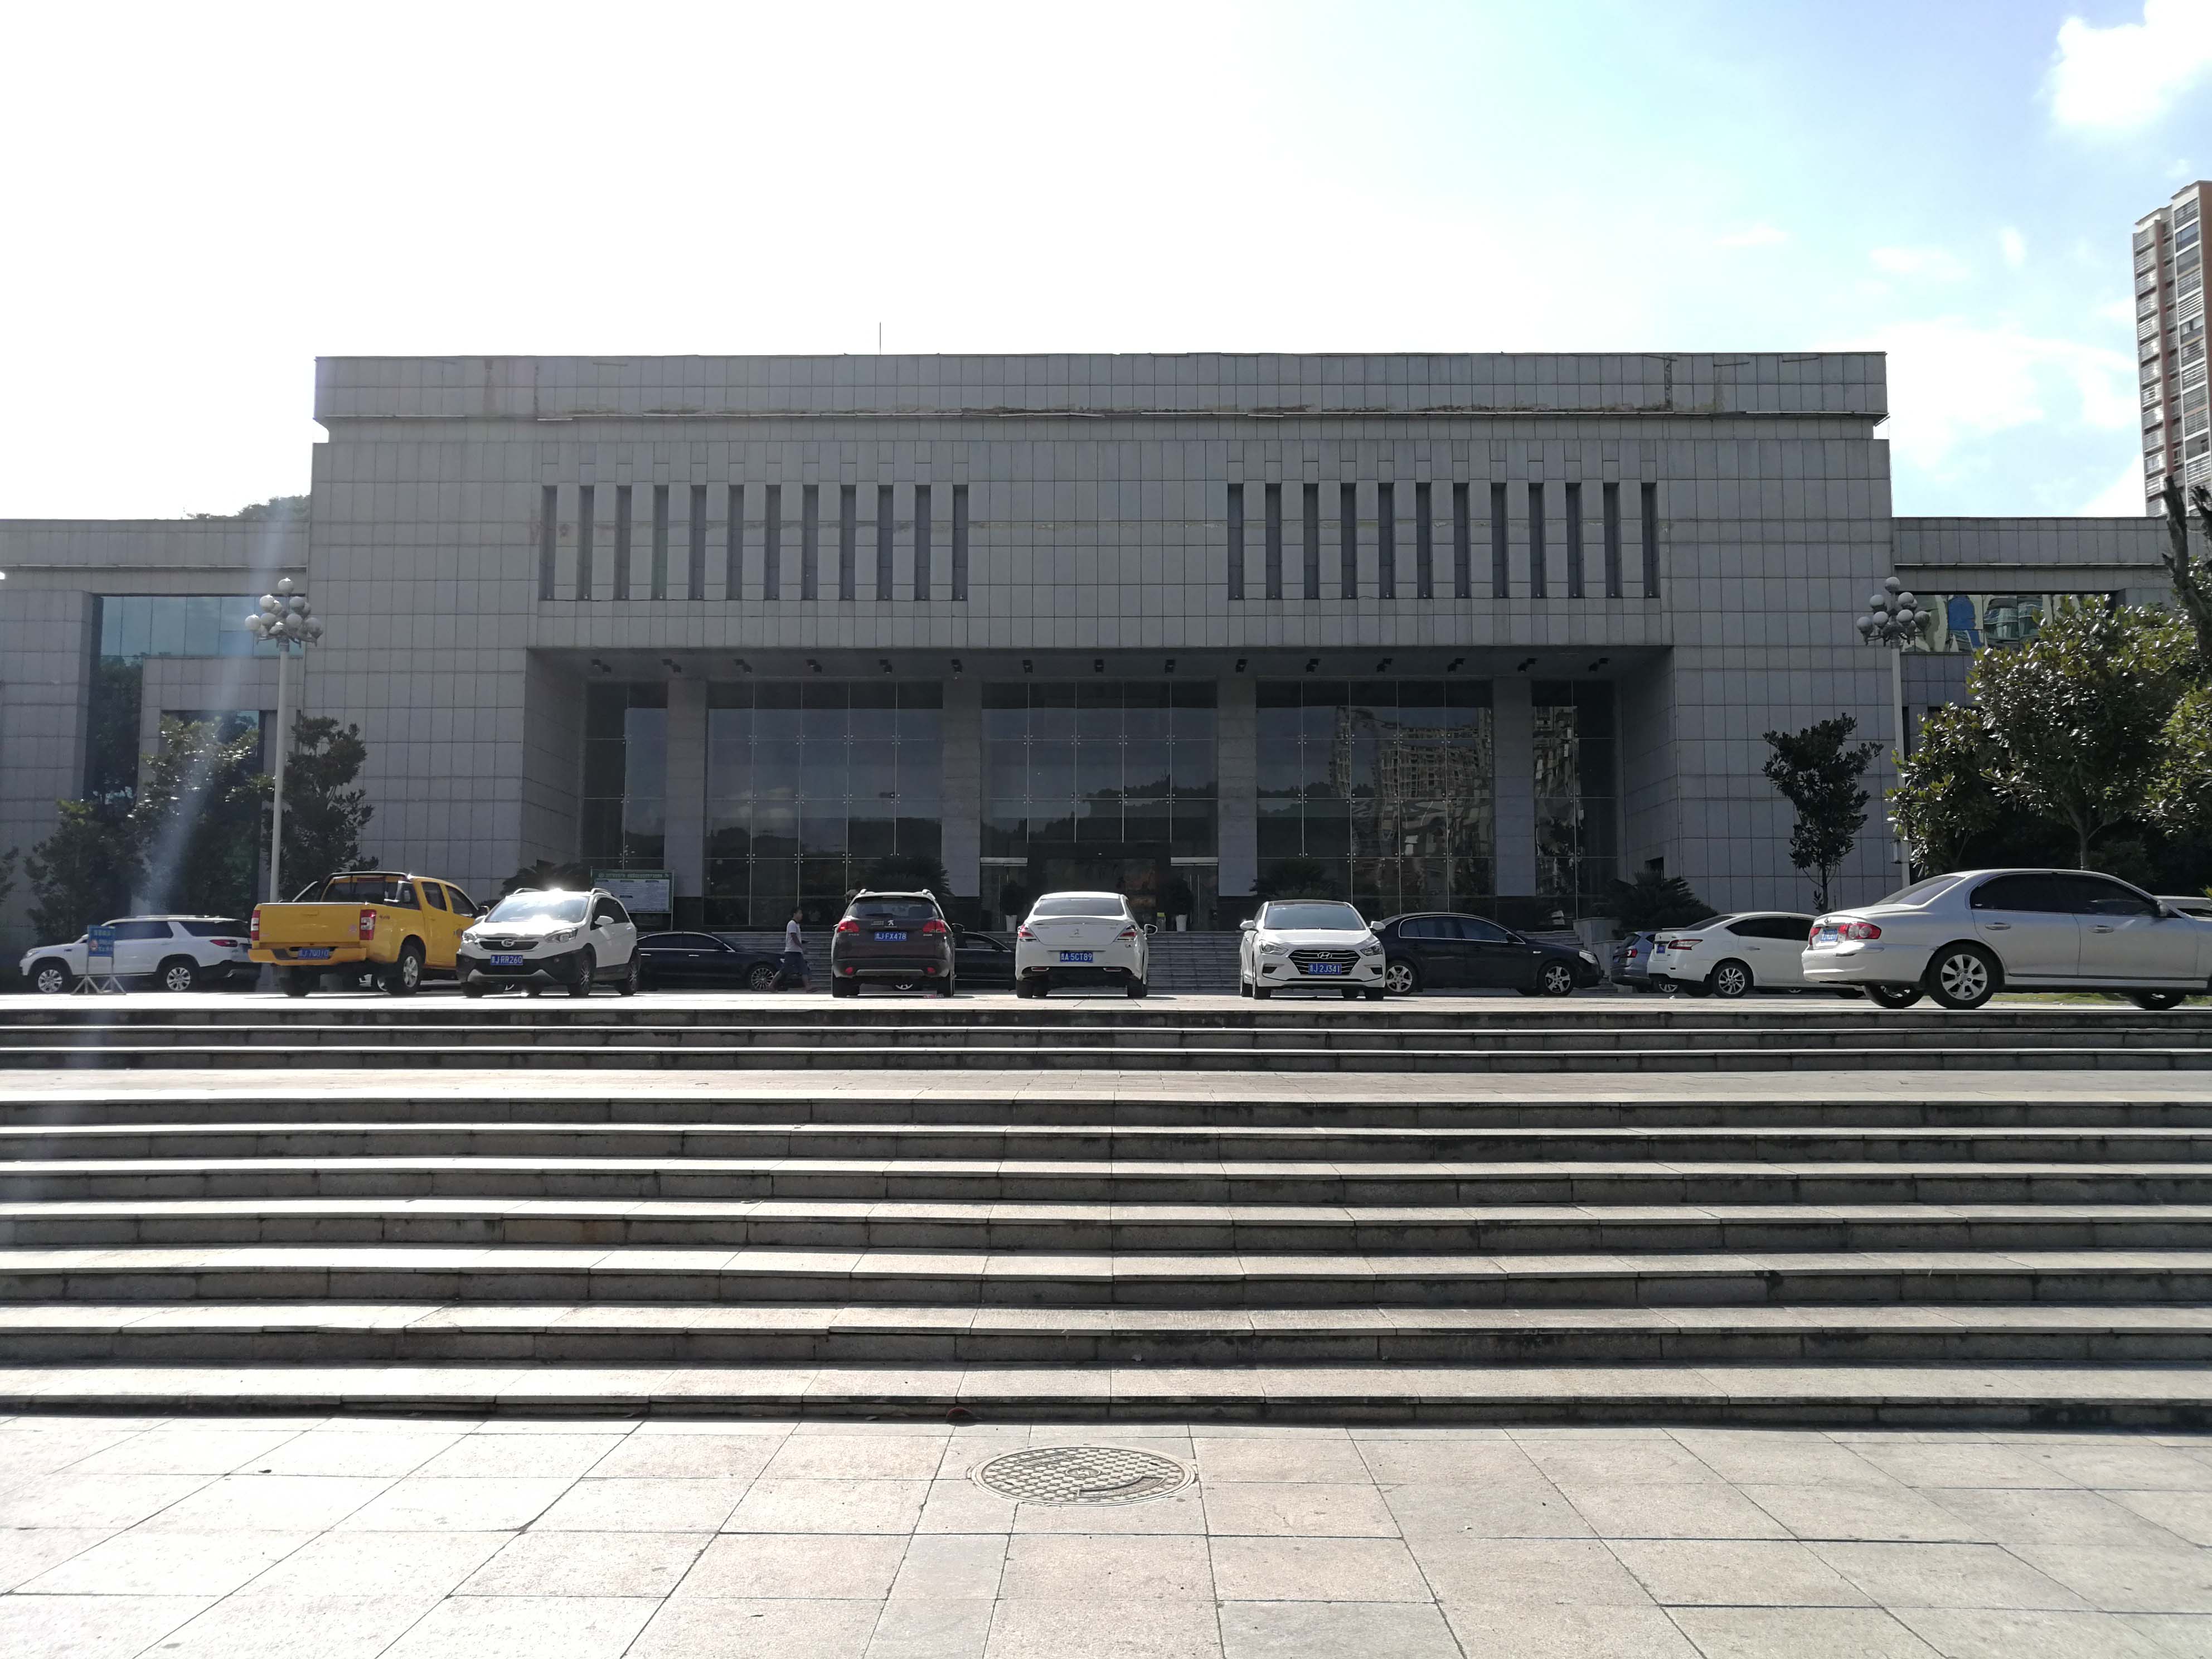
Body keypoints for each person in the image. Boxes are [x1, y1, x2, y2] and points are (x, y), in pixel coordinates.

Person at [778, 908, 808, 991]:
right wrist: (802, 947)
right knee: (784, 970)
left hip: (797, 951)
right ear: (795, 914)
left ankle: (808, 987)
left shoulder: (797, 925)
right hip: (791, 951)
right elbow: (794, 937)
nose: (801, 915)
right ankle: (772, 984)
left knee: (804, 969)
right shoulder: (792, 924)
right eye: (800, 913)